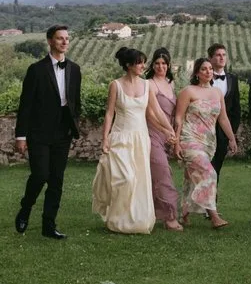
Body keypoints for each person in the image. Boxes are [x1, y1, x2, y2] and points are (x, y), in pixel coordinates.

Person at [14, 24, 82, 240]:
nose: (64, 42)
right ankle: (26, 208)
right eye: (60, 38)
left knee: (56, 180)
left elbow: (76, 101)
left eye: (67, 38)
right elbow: (26, 105)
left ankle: (49, 225)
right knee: (40, 175)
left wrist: (74, 124)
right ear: (50, 41)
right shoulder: (36, 70)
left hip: (63, 132)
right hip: (39, 132)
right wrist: (21, 135)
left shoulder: (75, 69)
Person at [92, 48, 156, 234]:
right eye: (139, 62)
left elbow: (154, 112)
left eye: (143, 62)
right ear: (128, 65)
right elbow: (109, 113)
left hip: (141, 138)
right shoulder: (116, 85)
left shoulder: (147, 85)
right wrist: (105, 138)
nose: (143, 66)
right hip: (120, 137)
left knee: (139, 181)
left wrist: (168, 130)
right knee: (125, 178)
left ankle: (137, 221)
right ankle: (116, 219)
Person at [173, 58, 237, 228]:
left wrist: (231, 138)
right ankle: (214, 216)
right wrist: (176, 143)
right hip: (189, 138)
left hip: (208, 142)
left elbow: (223, 118)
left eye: (210, 69)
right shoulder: (188, 91)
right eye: (203, 69)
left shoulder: (217, 93)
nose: (208, 71)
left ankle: (184, 213)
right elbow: (178, 118)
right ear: (196, 73)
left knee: (191, 177)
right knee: (209, 173)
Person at [144, 48, 183, 231]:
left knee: (156, 176)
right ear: (152, 65)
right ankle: (170, 217)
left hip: (168, 136)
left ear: (168, 65)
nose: (161, 67)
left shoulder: (170, 84)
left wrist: (174, 133)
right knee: (163, 173)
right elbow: (150, 114)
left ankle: (150, 213)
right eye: (157, 63)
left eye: (164, 63)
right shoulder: (149, 84)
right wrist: (166, 130)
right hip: (152, 133)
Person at [207, 43, 242, 181]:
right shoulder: (203, 77)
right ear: (210, 58)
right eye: (218, 55)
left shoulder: (233, 79)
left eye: (224, 55)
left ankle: (213, 194)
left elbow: (236, 108)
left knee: (216, 168)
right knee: (205, 168)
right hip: (205, 128)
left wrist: (231, 133)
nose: (222, 58)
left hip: (223, 131)